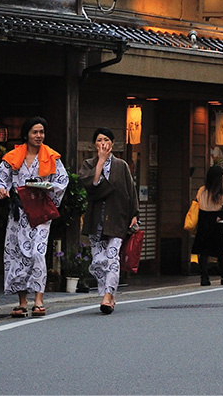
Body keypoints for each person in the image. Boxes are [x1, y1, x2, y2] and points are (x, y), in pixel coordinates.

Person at [0, 117, 69, 318]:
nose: (39, 136)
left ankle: (38, 299)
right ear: (26, 135)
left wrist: (49, 188)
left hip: (39, 210)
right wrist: (1, 190)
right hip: (18, 212)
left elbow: (62, 181)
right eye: (35, 132)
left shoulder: (51, 157)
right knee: (17, 254)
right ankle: (22, 301)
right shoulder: (13, 156)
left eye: (42, 132)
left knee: (38, 252)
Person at [79, 128, 139, 314]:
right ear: (94, 144)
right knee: (99, 260)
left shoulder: (121, 166)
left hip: (117, 218)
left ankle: (107, 295)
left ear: (112, 143)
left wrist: (134, 214)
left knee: (112, 257)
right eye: (99, 140)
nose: (103, 143)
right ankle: (109, 294)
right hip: (95, 219)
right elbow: (91, 185)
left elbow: (131, 191)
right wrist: (101, 162)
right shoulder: (88, 164)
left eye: (106, 139)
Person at [192, 165, 223, 286]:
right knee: (220, 252)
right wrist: (218, 217)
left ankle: (204, 277)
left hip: (204, 222)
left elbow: (197, 204)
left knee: (203, 251)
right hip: (217, 224)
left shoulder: (201, 191)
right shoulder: (222, 194)